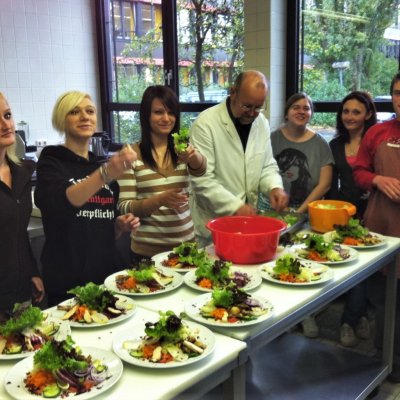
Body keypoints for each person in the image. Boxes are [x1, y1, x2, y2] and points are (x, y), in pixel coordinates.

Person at [34, 91, 139, 307]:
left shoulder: (98, 166)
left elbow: (101, 226)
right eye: (75, 112)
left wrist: (118, 226)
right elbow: (67, 199)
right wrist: (107, 172)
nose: (84, 116)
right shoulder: (51, 160)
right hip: (68, 280)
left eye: (89, 111)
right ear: (62, 119)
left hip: (106, 276)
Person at [189, 70, 288, 246]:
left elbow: (266, 165)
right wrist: (235, 207)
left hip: (248, 225)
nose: (252, 113)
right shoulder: (206, 124)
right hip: (214, 226)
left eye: (258, 107)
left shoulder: (261, 123)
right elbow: (202, 181)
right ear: (233, 92)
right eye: (247, 106)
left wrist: (274, 187)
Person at [117, 85, 206, 260]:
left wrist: (193, 156)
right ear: (146, 115)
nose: (166, 118)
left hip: (186, 249)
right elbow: (125, 206)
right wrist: (159, 200)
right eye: (158, 112)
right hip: (146, 254)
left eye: (171, 112)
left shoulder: (182, 148)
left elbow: (201, 169)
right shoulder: (130, 153)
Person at [353, 72, 400, 383]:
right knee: (384, 297)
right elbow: (359, 171)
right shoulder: (378, 133)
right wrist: (378, 180)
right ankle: (385, 357)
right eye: (397, 92)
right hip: (382, 224)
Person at [327, 91, 377, 347]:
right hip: (344, 214)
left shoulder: (376, 141)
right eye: (346, 111)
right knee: (352, 267)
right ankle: (362, 315)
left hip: (373, 212)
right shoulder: (335, 145)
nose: (349, 117)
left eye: (356, 112)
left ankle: (349, 320)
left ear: (368, 114)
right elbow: (332, 184)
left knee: (363, 270)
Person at [0, 92, 45, 316]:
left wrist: (32, 271)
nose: (5, 124)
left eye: (7, 115)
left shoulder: (22, 173)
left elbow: (17, 233)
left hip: (21, 296)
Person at [258, 92, 333, 214]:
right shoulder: (271, 139)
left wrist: (299, 212)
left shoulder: (321, 144)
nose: (301, 111)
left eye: (306, 108)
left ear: (311, 114)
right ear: (286, 114)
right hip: (270, 206)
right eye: (295, 107)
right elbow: (260, 173)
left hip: (305, 209)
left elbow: (325, 184)